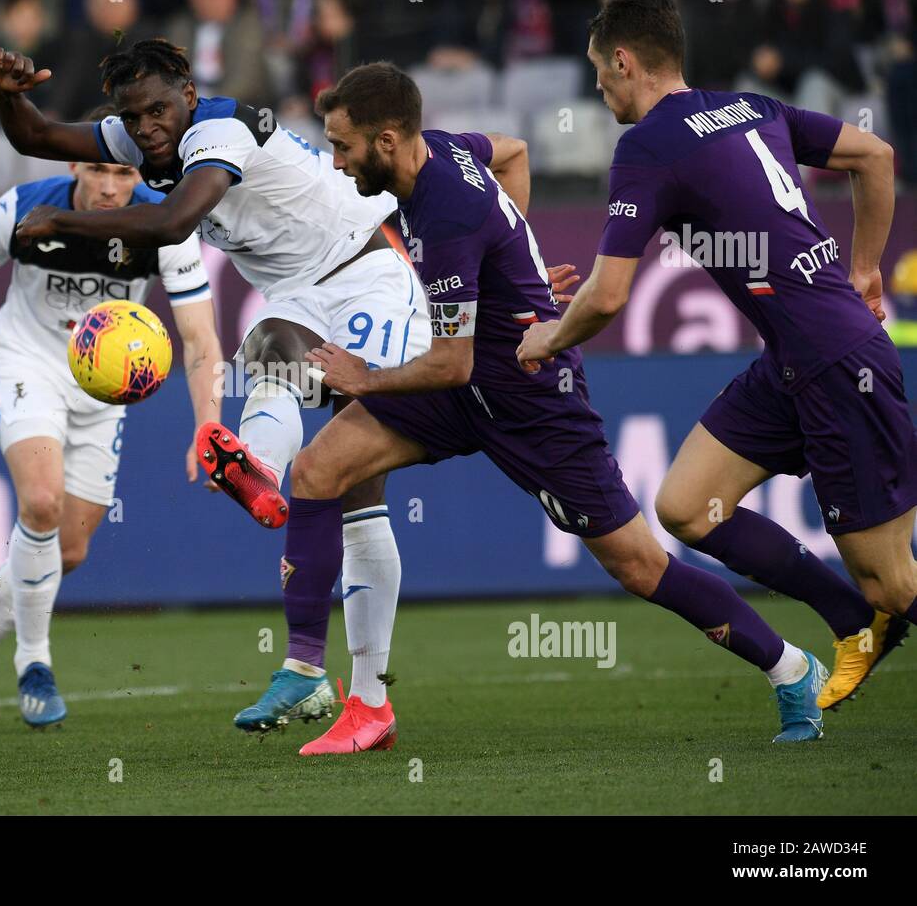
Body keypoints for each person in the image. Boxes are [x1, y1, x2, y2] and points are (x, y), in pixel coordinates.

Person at [282, 60, 835, 753]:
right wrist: (523, 266)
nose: (336, 163)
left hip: (531, 397)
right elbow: (512, 153)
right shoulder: (446, 149)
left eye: (343, 146)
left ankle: (793, 667)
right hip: (461, 389)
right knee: (317, 470)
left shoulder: (447, 203)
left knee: (639, 566)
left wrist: (364, 378)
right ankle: (329, 684)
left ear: (387, 140)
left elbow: (449, 358)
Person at [0, 38, 433, 732]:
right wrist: (8, 94)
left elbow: (171, 221)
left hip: (367, 271)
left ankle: (365, 695)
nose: (146, 128)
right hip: (296, 292)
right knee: (265, 347)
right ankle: (258, 480)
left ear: (189, 93)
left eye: (160, 110)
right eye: (132, 119)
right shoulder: (141, 132)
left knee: (356, 481)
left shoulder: (221, 128)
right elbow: (37, 134)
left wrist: (67, 218)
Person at [516, 0, 912, 714]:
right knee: (689, 506)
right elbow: (876, 155)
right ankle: (853, 623)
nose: (600, 91)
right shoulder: (752, 107)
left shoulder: (648, 145)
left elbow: (606, 296)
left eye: (601, 73)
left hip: (837, 364)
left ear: (626, 61)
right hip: (797, 358)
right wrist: (863, 268)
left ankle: (874, 612)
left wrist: (547, 334)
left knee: (894, 583)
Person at [0, 126, 221, 731]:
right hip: (25, 360)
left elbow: (199, 338)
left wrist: (207, 425)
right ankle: (36, 665)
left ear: (138, 175)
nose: (110, 187)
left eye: (122, 174)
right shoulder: (25, 209)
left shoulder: (163, 226)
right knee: (41, 502)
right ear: (76, 168)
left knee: (70, 550)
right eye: (98, 171)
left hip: (103, 387)